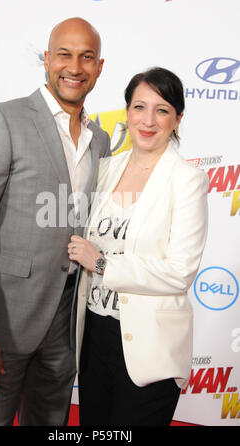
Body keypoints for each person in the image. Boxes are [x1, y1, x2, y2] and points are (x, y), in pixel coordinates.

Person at [0, 17, 110, 426]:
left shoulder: (102, 140)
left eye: (86, 57)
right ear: (46, 60)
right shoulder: (2, 120)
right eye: (64, 55)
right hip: (3, 325)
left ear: (99, 67)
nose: (75, 67)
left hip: (65, 328)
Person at [68, 67, 209, 426]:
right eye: (139, 107)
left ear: (177, 119)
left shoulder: (187, 181)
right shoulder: (104, 169)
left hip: (150, 346)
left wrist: (102, 265)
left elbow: (179, 272)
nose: (148, 120)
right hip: (94, 335)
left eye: (161, 110)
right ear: (127, 112)